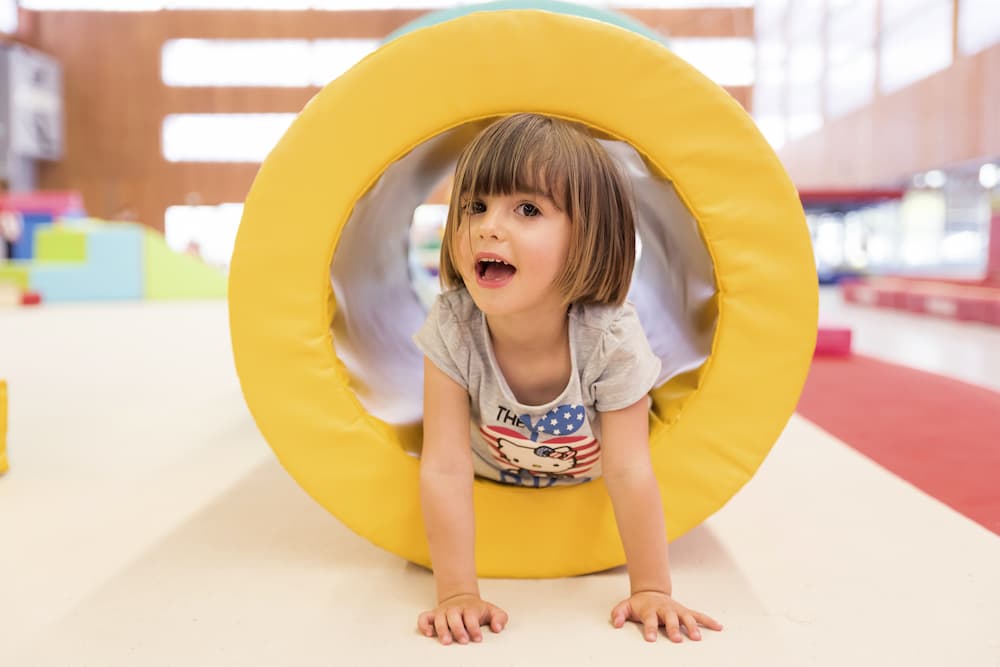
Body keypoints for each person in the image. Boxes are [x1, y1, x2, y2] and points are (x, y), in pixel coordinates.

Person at [412, 113, 722, 645]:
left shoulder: (608, 338)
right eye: (475, 206)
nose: (488, 225)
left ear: (588, 235)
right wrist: (457, 592)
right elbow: (443, 465)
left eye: (527, 209)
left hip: (585, 486)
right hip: (493, 483)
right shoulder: (454, 324)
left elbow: (628, 469)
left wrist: (651, 586)